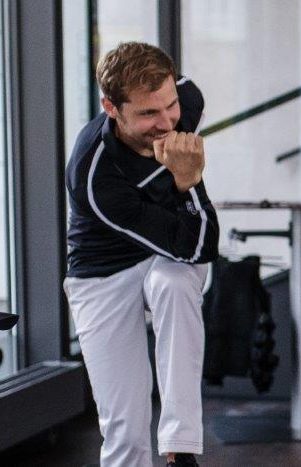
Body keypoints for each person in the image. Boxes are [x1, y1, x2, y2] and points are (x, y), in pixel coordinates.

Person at [64, 42, 219, 467]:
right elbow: (192, 241)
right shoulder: (95, 176)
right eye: (149, 113)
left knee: (173, 283)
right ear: (111, 108)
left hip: (168, 255)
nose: (167, 122)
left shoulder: (186, 101)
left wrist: (189, 183)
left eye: (170, 105)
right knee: (125, 433)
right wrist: (187, 179)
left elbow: (201, 249)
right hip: (103, 273)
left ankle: (180, 448)